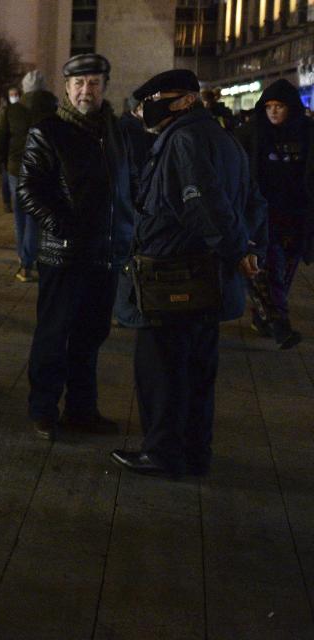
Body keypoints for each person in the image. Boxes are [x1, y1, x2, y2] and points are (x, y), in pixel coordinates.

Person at [111, 69, 264, 478]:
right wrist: (246, 246)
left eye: (154, 99)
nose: (145, 109)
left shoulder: (184, 140)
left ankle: (163, 452)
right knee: (197, 370)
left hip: (175, 279)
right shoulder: (222, 138)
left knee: (162, 371)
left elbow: (203, 204)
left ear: (184, 101)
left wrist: (236, 248)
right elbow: (251, 201)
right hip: (205, 279)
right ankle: (196, 452)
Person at [16, 53, 133, 441]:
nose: (87, 90)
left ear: (105, 86)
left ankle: (83, 411)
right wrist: (59, 224)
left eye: (94, 82)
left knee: (91, 335)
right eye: (79, 83)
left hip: (105, 252)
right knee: (55, 334)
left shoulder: (115, 129)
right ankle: (43, 411)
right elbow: (28, 189)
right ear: (66, 88)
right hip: (63, 253)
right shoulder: (48, 131)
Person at [235, 79, 312, 349]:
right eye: (269, 107)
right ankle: (279, 323)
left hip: (296, 215)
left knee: (287, 270)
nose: (274, 112)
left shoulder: (307, 132)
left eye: (279, 106)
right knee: (267, 268)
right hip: (263, 216)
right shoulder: (251, 134)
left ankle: (263, 316)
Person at [0, 71, 58, 282]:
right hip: (42, 171)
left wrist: (5, 162)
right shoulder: (53, 109)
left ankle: (25, 260)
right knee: (36, 217)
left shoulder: (13, 111)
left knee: (20, 216)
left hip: (16, 170)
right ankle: (31, 257)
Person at [113, 95, 154, 329]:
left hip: (130, 199)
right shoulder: (133, 130)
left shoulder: (128, 128)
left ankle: (124, 309)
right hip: (134, 200)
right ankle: (125, 311)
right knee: (129, 257)